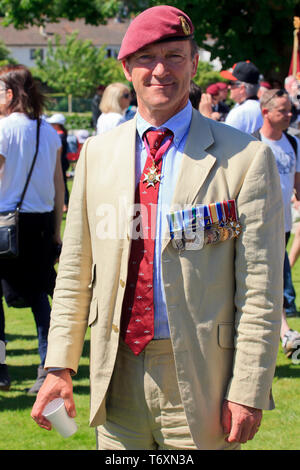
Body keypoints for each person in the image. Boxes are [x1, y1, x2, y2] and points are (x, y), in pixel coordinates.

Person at [31, 6, 284, 450]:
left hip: (203, 377)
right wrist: (58, 367)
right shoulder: (96, 154)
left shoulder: (245, 158)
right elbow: (73, 273)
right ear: (127, 67)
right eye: (147, 58)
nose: (160, 70)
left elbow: (260, 287)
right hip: (116, 375)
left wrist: (248, 387)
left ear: (194, 63)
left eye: (174, 55)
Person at [0, 65, 64, 393]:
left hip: (5, 223)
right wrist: (56, 230)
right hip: (40, 223)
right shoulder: (48, 131)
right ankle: (46, 367)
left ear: (10, 94)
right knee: (41, 299)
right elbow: (58, 185)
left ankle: (0, 367)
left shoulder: (2, 129)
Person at [254, 88, 300, 355]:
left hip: (282, 228)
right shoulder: (253, 143)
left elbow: (296, 185)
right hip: (257, 229)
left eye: (290, 110)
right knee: (270, 283)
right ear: (265, 113)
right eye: (283, 110)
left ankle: (283, 335)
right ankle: (284, 334)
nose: (289, 115)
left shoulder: (293, 143)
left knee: (275, 283)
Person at [220, 61, 263, 134]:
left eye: (231, 83)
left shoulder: (239, 112)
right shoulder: (262, 107)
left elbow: (225, 141)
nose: (229, 87)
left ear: (242, 88)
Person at [47, 113, 69, 213]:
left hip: (60, 163)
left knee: (61, 183)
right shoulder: (61, 135)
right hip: (62, 162)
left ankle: (64, 204)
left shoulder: (59, 136)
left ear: (57, 124)